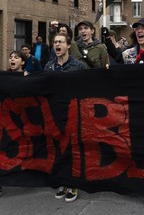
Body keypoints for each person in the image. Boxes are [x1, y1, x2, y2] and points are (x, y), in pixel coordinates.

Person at [103, 17, 144, 208]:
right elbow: (119, 75)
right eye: (137, 28)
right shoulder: (128, 54)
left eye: (143, 28)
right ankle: (137, 183)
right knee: (134, 147)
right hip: (131, 109)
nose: (139, 31)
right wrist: (109, 71)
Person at [44, 33, 87, 202]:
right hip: (55, 115)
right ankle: (62, 181)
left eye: (61, 42)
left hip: (74, 114)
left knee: (73, 150)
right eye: (55, 42)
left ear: (68, 45)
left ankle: (73, 184)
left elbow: (88, 89)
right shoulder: (48, 67)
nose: (57, 45)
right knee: (58, 149)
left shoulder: (79, 67)